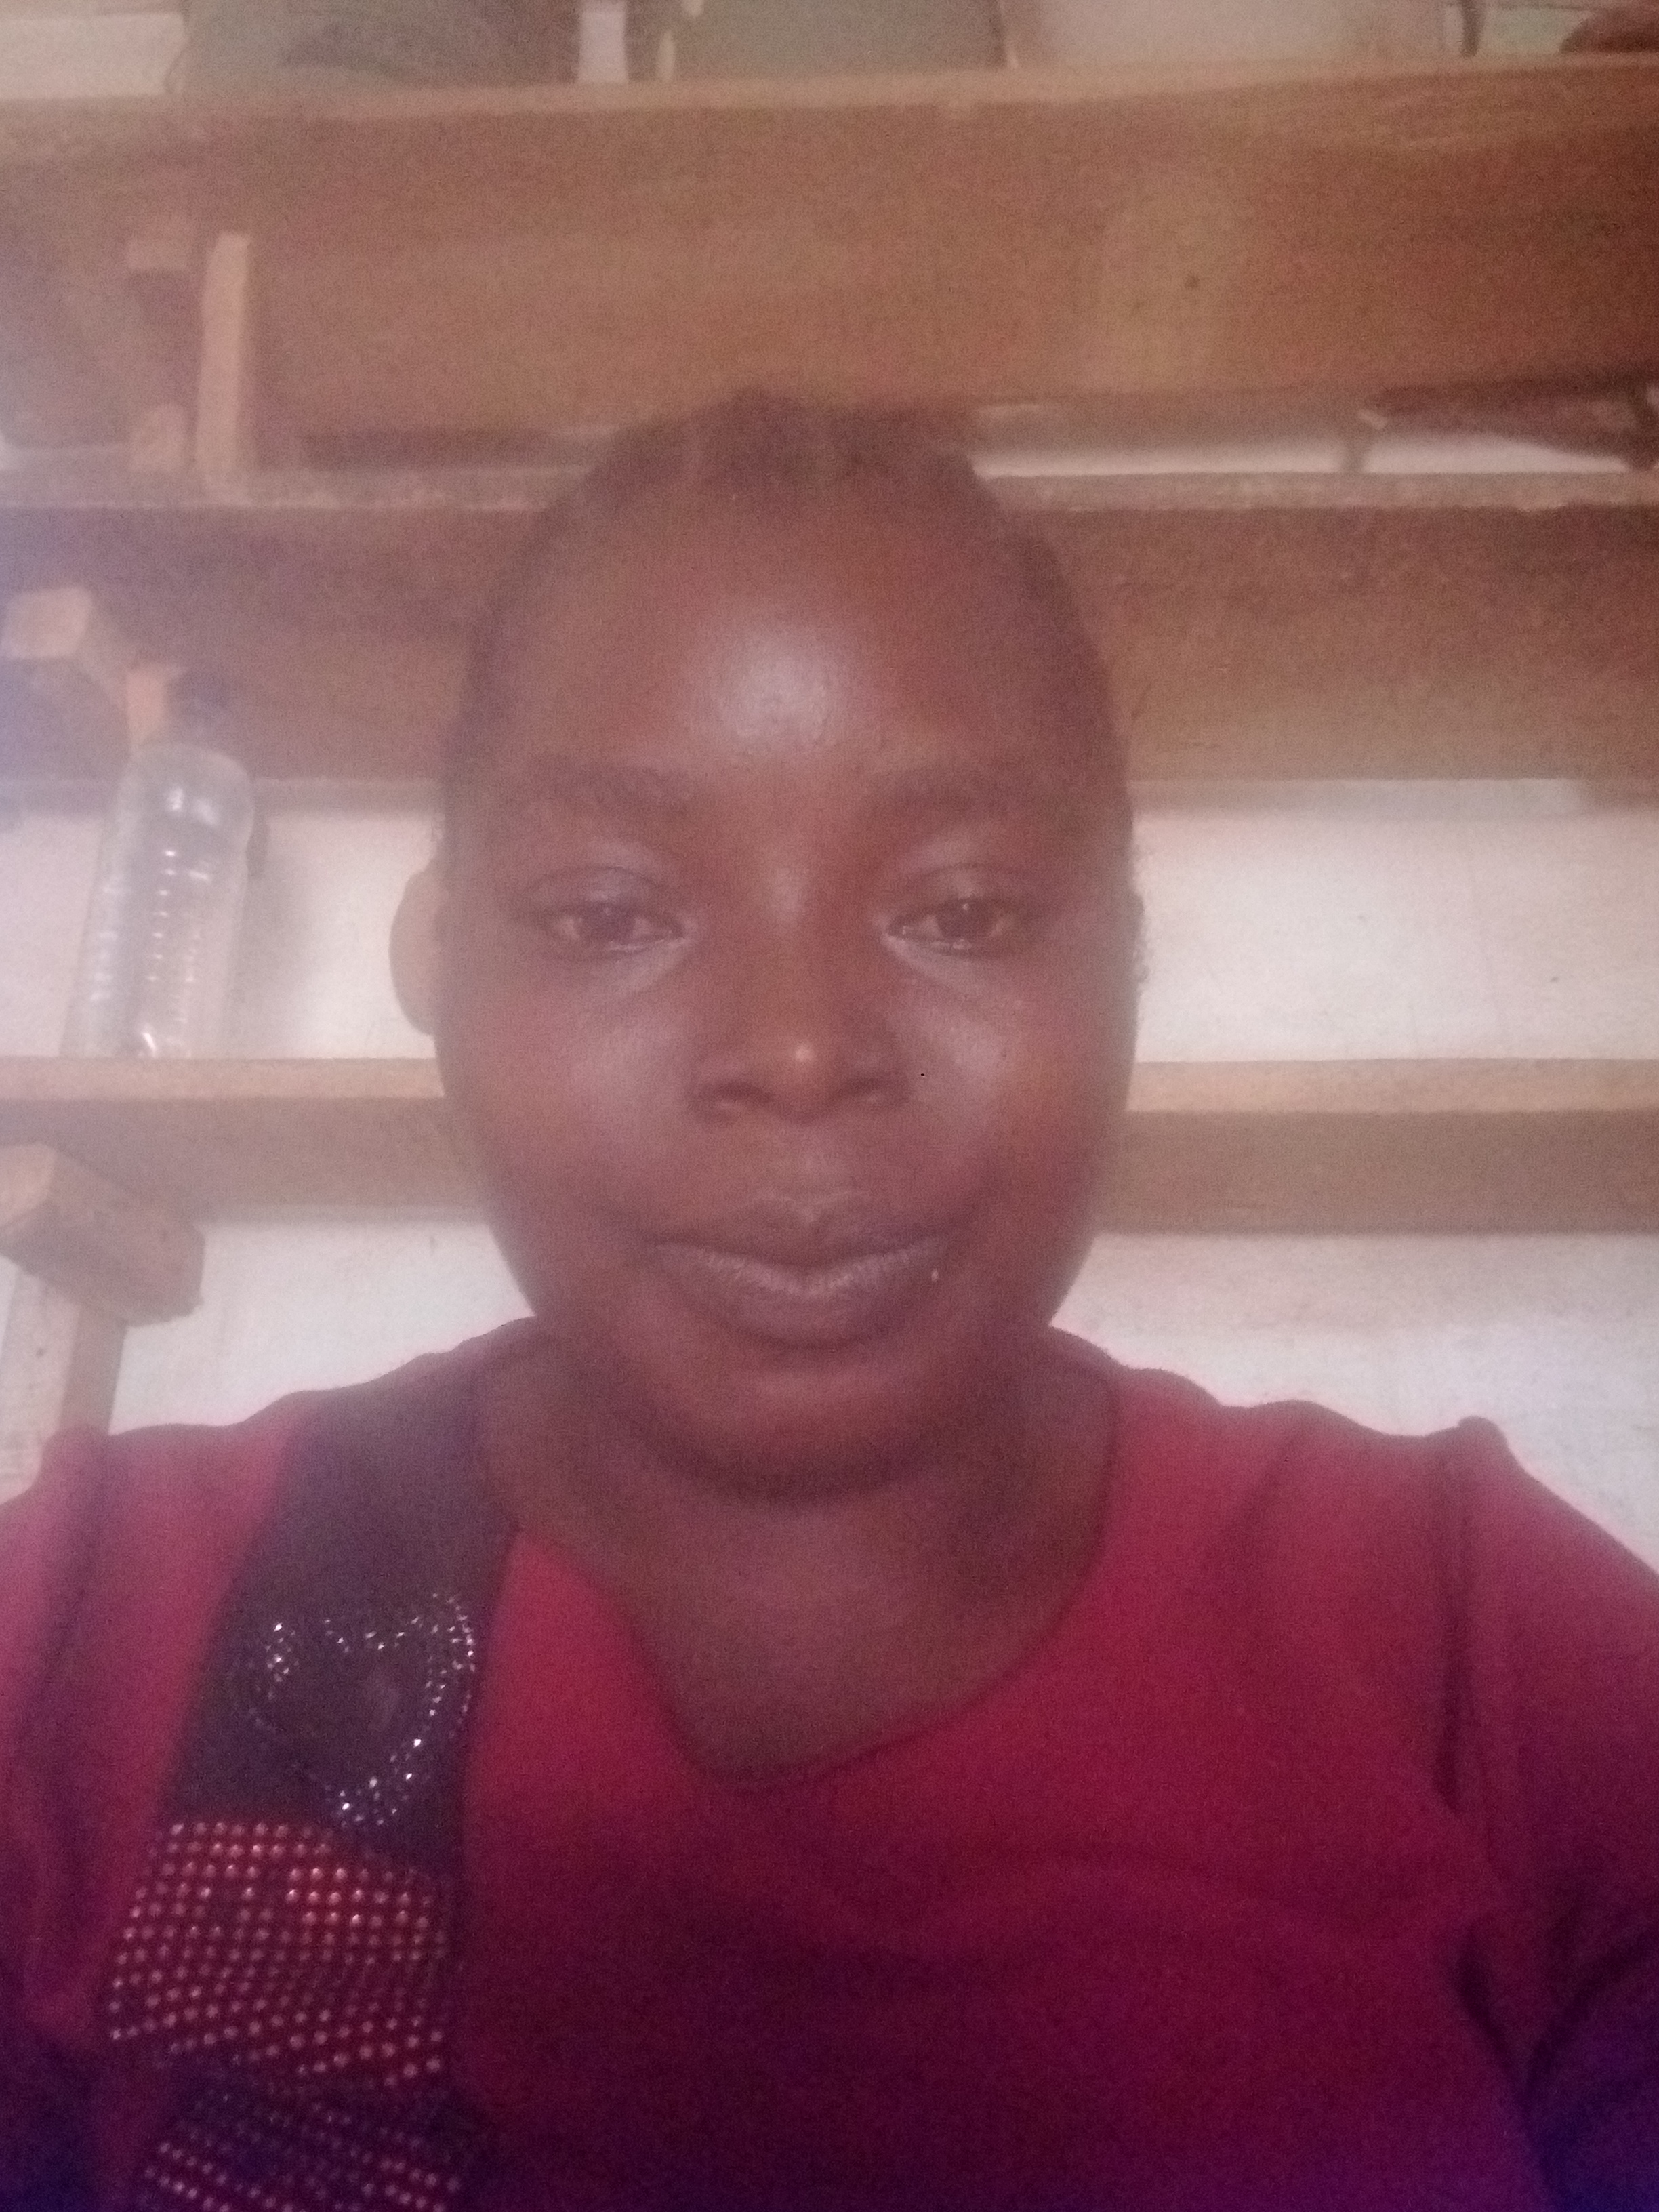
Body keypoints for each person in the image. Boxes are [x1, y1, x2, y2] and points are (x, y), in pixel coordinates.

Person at [2, 393, 1657, 2212]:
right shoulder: (87, 1634)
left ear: (1125, 961)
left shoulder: (1470, 1651)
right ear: (439, 959)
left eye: (963, 911)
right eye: (609, 914)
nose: (798, 1050)